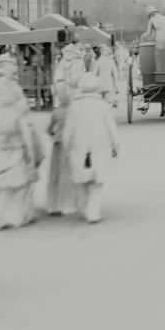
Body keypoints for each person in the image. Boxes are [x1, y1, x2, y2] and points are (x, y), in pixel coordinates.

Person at [0, 54, 42, 230]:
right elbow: (25, 131)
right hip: (12, 148)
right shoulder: (11, 102)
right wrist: (31, 156)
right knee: (12, 184)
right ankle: (8, 215)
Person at [62, 74, 120, 223]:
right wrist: (116, 145)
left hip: (78, 148)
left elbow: (68, 129)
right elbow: (111, 128)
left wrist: (65, 146)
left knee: (80, 181)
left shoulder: (74, 106)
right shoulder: (102, 106)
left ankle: (83, 206)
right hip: (100, 148)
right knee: (97, 183)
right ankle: (93, 212)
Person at [45, 84, 77, 217]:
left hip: (58, 144)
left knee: (56, 175)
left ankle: (55, 204)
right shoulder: (74, 111)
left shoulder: (56, 112)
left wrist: (54, 135)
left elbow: (48, 130)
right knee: (69, 174)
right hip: (70, 145)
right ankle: (69, 203)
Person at [141, 6, 165, 85]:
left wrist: (142, 37)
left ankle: (160, 79)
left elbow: (148, 33)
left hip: (159, 43)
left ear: (150, 15)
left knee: (159, 61)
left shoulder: (152, 20)